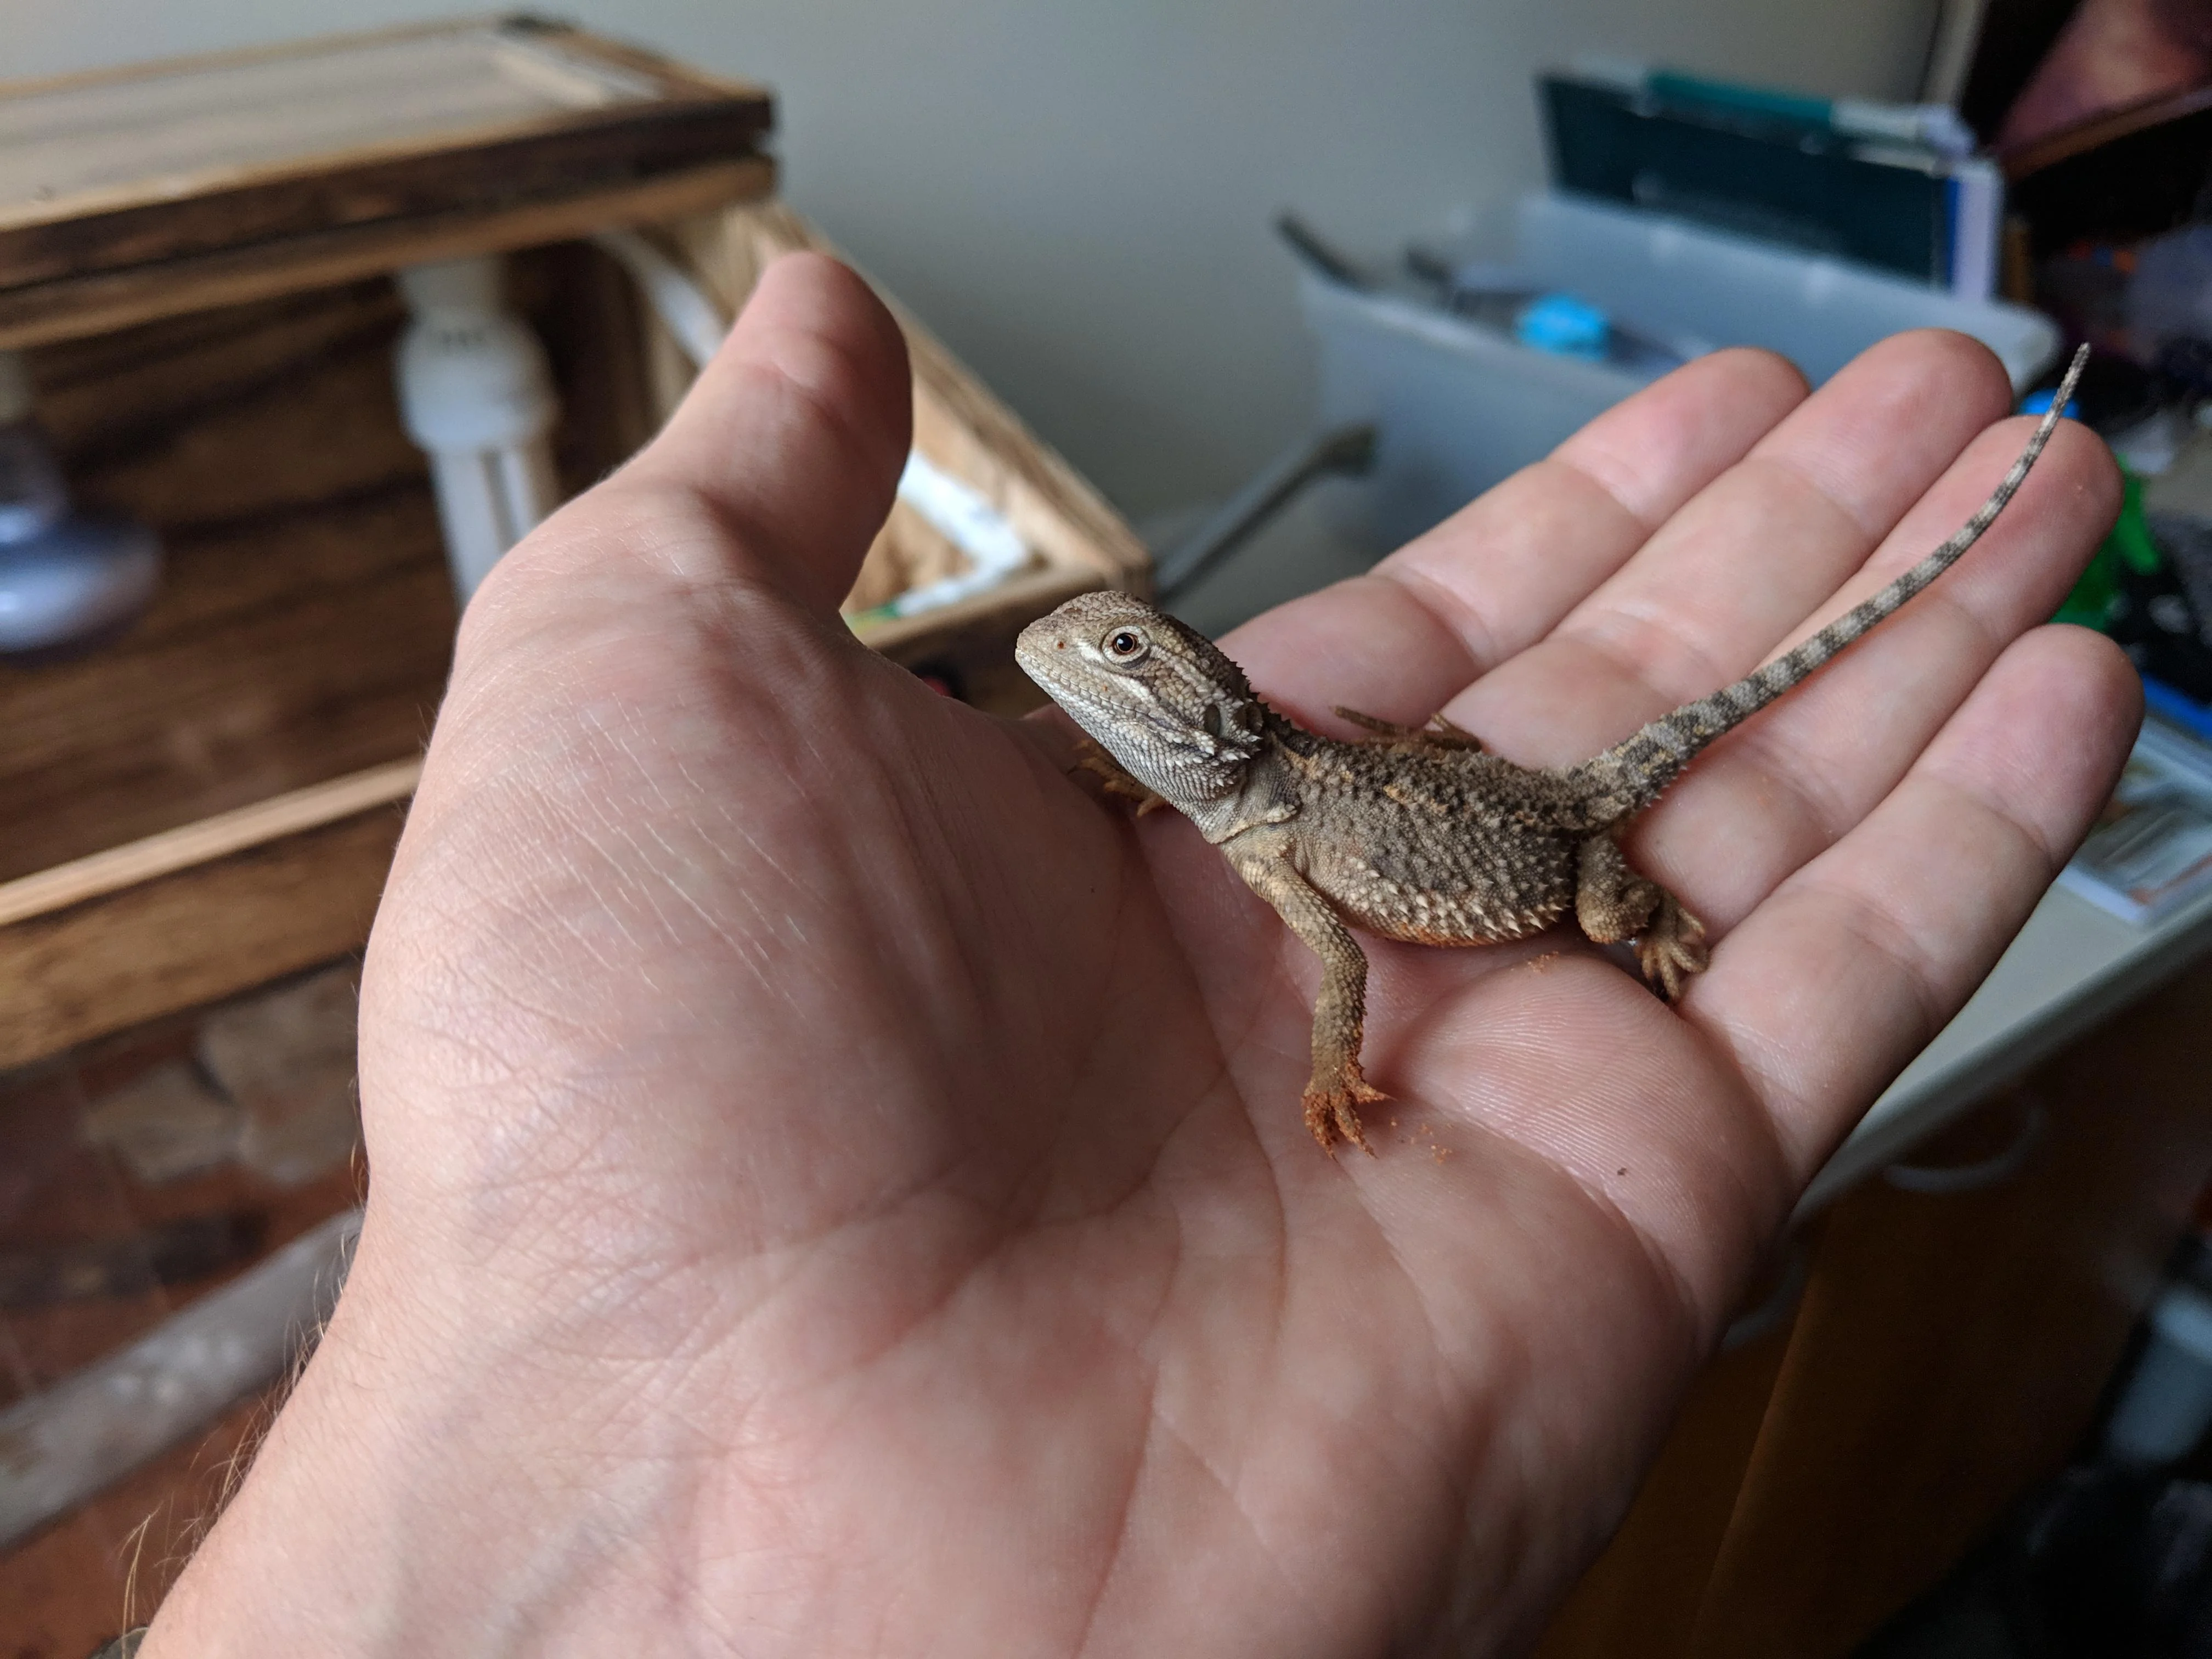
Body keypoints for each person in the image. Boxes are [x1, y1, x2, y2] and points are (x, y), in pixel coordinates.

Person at [141, 254, 2132, 1655]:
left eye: (1113, 672)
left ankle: (2005, 478)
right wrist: (1158, 790)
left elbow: (1341, 972)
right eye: (1100, 676)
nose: (1082, 686)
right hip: (1419, 784)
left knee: (1618, 895)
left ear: (1189, 709)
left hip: (1530, 842)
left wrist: (1393, 1040)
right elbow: (1220, 816)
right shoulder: (1228, 791)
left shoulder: (1272, 818)